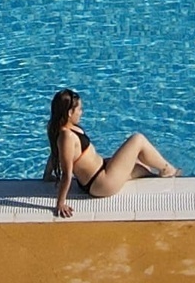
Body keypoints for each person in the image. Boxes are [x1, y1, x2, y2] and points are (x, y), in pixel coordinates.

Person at [48, 89, 178, 216]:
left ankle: (158, 177)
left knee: (142, 166)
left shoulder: (60, 127)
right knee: (138, 140)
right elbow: (66, 173)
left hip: (101, 171)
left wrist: (47, 175)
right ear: (70, 112)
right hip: (101, 182)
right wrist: (60, 203)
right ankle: (168, 170)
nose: (81, 113)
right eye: (79, 109)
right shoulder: (67, 137)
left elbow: (56, 153)